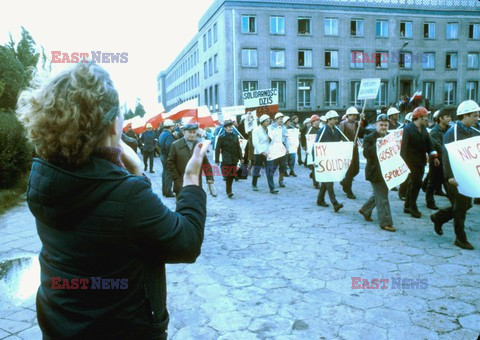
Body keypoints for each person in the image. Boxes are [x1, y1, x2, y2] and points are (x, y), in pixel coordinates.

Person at [16, 62, 208, 339]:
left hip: (61, 322)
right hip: (120, 328)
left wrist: (133, 174)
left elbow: (112, 226)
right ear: (110, 123)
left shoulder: (43, 174)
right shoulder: (127, 195)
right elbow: (186, 243)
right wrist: (190, 180)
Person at [431, 100, 480, 249]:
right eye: (474, 115)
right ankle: (460, 237)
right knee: (460, 207)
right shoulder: (452, 133)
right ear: (464, 116)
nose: (477, 118)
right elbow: (446, 156)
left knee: (466, 205)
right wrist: (449, 176)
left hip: (469, 175)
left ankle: (438, 217)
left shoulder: (476, 131)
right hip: (454, 177)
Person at [401, 106, 439, 218]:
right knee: (416, 184)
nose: (427, 118)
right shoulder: (408, 129)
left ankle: (407, 206)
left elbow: (429, 144)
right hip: (410, 162)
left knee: (414, 184)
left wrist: (434, 156)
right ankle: (413, 207)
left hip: (421, 162)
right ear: (420, 117)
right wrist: (403, 163)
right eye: (425, 116)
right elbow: (404, 148)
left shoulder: (424, 129)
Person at [359, 114, 396, 232]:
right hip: (375, 172)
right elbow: (366, 154)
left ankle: (366, 209)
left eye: (386, 125)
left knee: (379, 194)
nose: (384, 127)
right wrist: (378, 144)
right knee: (383, 196)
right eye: (381, 125)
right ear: (376, 125)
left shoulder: (390, 136)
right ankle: (385, 222)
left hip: (386, 170)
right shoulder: (370, 137)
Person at [168, 123, 214, 198]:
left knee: (196, 204)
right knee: (182, 205)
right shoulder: (175, 145)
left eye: (194, 132)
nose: (192, 135)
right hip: (181, 182)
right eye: (190, 132)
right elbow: (170, 163)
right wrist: (177, 178)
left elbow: (205, 163)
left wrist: (209, 177)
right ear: (184, 132)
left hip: (196, 182)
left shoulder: (199, 145)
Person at [315, 110, 348, 212]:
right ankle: (335, 203)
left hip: (332, 159)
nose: (336, 120)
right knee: (329, 182)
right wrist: (315, 160)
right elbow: (316, 145)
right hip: (324, 160)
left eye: (336, 118)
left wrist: (350, 146)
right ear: (328, 120)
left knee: (326, 181)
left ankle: (320, 200)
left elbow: (343, 140)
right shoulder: (322, 130)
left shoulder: (337, 130)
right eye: (334, 119)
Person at [339, 106, 367, 199]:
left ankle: (345, 182)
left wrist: (363, 119)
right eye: (353, 115)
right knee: (350, 170)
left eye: (356, 115)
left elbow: (363, 130)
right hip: (347, 148)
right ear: (348, 115)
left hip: (354, 148)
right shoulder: (343, 123)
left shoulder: (356, 124)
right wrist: (345, 145)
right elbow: (341, 135)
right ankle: (349, 190)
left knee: (356, 169)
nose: (355, 117)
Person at [424, 109, 451, 209]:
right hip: (436, 159)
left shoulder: (450, 129)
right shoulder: (435, 131)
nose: (449, 119)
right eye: (447, 116)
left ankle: (454, 200)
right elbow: (437, 146)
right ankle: (429, 201)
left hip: (447, 159)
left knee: (446, 181)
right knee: (432, 181)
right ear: (441, 118)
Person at [215, 120, 242, 198]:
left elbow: (238, 148)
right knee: (228, 176)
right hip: (226, 159)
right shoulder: (221, 137)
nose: (231, 128)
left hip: (234, 158)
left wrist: (241, 158)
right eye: (229, 127)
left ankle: (229, 189)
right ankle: (229, 191)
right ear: (225, 128)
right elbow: (217, 149)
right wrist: (217, 160)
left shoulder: (235, 136)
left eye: (231, 127)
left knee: (232, 175)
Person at [252, 114, 278, 194]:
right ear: (262, 122)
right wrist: (262, 151)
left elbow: (273, 139)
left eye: (269, 120)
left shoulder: (270, 129)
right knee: (257, 169)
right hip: (259, 153)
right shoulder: (256, 130)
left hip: (268, 152)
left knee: (269, 170)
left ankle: (272, 188)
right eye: (267, 121)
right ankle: (254, 183)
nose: (269, 122)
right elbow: (255, 143)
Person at [268, 112, 289, 187]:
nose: (281, 120)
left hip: (282, 147)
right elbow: (269, 138)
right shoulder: (271, 127)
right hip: (274, 147)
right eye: (280, 119)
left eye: (282, 119)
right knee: (274, 165)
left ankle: (281, 180)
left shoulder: (284, 127)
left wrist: (287, 148)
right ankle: (271, 180)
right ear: (276, 119)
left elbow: (286, 139)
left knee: (283, 165)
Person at [158, 119, 176, 197]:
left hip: (162, 155)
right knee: (169, 174)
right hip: (167, 156)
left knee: (165, 173)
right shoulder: (169, 135)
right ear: (170, 126)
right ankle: (168, 192)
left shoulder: (162, 134)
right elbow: (169, 146)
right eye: (173, 126)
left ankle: (164, 191)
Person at [307, 114, 321, 188]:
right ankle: (316, 183)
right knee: (314, 167)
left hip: (319, 151)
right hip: (311, 151)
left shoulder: (320, 129)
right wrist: (306, 148)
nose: (318, 122)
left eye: (318, 120)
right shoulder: (309, 130)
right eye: (316, 121)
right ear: (312, 122)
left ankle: (313, 176)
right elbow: (307, 140)